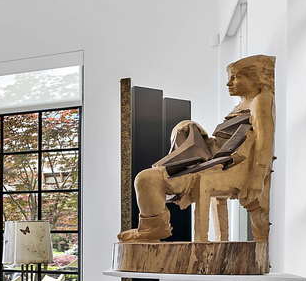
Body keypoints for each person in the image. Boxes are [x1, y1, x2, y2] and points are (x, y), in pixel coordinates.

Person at [117, 54, 274, 243]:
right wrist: (198, 133)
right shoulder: (243, 104)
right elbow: (226, 142)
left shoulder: (261, 100)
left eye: (235, 77)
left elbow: (265, 142)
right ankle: (154, 227)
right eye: (230, 78)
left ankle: (154, 228)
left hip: (223, 167)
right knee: (150, 175)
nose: (229, 84)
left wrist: (257, 178)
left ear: (255, 78)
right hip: (212, 161)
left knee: (147, 178)